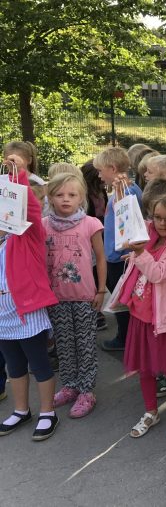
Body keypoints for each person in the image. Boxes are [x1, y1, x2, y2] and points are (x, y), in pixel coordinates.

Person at [107, 194, 166, 439]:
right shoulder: (148, 236)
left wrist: (139, 253)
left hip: (163, 321)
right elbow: (128, 217)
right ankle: (150, 411)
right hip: (140, 317)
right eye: (158, 217)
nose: (163, 223)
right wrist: (120, 195)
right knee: (145, 369)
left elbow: (157, 273)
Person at [0, 154, 60, 441]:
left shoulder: (26, 238)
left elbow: (32, 212)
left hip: (27, 315)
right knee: (14, 366)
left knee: (39, 364)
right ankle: (21, 410)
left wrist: (19, 176)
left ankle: (48, 412)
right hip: (3, 319)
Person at [42, 174, 106, 419]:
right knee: (64, 344)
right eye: (59, 195)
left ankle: (87, 391)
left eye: (72, 195)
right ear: (51, 198)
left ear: (81, 198)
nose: (66, 199)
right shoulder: (44, 225)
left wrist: (101, 290)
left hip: (84, 297)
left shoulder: (90, 224)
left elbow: (100, 258)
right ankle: (70, 385)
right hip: (55, 298)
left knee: (85, 344)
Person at [93, 147, 143, 351]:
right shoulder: (124, 189)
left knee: (122, 301)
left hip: (120, 256)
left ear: (112, 168)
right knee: (121, 298)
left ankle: (125, 338)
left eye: (100, 170)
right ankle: (127, 337)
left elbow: (128, 221)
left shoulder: (127, 191)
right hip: (116, 254)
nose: (99, 175)